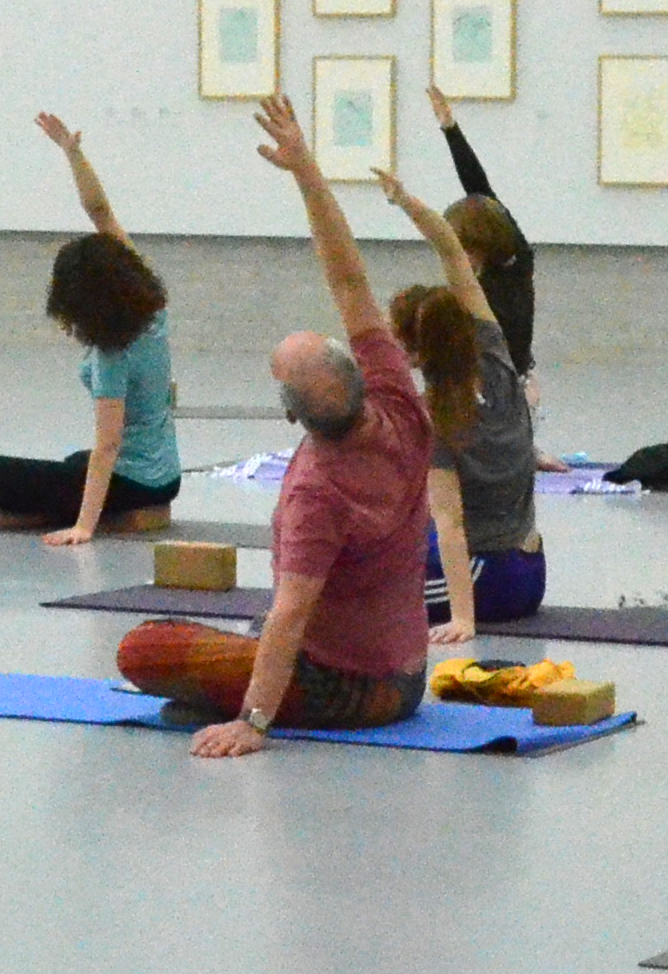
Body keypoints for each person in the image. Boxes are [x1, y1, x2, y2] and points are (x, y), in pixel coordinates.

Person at [115, 96, 434, 756]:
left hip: (349, 691)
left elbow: (289, 614)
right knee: (212, 644)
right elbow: (348, 277)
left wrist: (252, 723)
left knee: (142, 647)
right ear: (357, 371)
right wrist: (306, 172)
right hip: (409, 678)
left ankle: (249, 702)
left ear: (292, 412)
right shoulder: (400, 399)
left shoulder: (318, 491)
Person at [0, 113, 181, 544]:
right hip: (165, 475)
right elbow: (100, 211)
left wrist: (83, 528)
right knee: (75, 463)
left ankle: (67, 514)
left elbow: (109, 446)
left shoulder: (113, 355)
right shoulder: (153, 312)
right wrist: (72, 153)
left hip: (135, 483)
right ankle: (67, 509)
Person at [373, 166, 546, 638]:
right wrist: (405, 201)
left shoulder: (438, 417)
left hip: (494, 582)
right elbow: (450, 250)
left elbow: (450, 525)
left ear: (413, 350)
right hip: (532, 570)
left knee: (366, 580)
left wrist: (464, 620)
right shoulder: (496, 353)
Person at [426, 85, 539, 372]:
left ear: (484, 244)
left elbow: (479, 189)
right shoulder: (497, 269)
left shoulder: (515, 266)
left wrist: (452, 130)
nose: (460, 256)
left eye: (466, 248)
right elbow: (477, 191)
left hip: (510, 383)